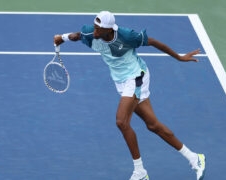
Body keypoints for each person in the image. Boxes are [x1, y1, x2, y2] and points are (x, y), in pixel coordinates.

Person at [53, 11, 206, 180]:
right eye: (95, 27)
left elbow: (153, 42)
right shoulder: (91, 33)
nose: (95, 31)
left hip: (136, 76)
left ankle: (140, 172)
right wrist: (62, 37)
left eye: (99, 28)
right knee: (153, 125)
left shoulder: (126, 36)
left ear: (109, 29)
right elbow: (77, 35)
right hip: (120, 81)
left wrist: (179, 57)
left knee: (121, 121)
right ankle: (194, 157)